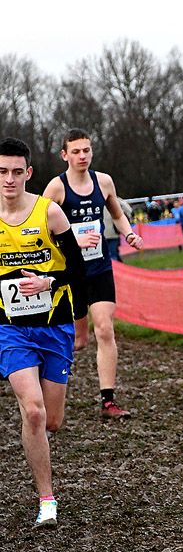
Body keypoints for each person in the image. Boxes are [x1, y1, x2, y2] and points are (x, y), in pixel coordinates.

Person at [0, 137, 85, 528]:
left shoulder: (49, 212)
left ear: (28, 173)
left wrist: (48, 282)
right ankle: (46, 500)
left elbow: (79, 270)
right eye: (2, 171)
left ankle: (33, 419)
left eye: (17, 171)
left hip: (54, 326)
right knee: (33, 411)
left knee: (51, 420)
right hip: (10, 330)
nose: (9, 179)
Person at [43, 129, 143, 419]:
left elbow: (117, 214)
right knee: (78, 340)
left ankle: (108, 402)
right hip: (70, 273)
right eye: (76, 151)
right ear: (65, 155)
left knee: (105, 329)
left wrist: (129, 234)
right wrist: (74, 238)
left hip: (100, 268)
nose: (82, 156)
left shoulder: (104, 182)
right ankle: (40, 381)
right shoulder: (56, 188)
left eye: (86, 150)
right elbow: (41, 231)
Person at [103, 196, 133, 262]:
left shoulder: (95, 200)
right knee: (113, 255)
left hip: (99, 234)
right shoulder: (114, 199)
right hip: (113, 233)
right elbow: (128, 209)